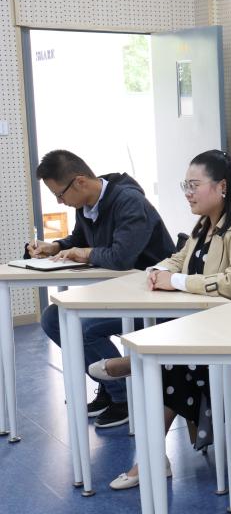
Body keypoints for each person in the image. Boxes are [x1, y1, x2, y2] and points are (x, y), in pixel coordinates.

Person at [89, 150, 231, 490]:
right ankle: (151, 454)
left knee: (170, 364)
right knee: (171, 361)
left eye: (194, 185)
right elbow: (179, 258)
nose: (187, 192)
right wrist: (158, 271)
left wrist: (176, 281)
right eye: (185, 185)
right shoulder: (206, 225)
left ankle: (138, 370)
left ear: (222, 186)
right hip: (217, 326)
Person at [32, 149, 175, 428]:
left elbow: (121, 258)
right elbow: (79, 239)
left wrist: (85, 253)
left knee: (81, 327)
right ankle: (112, 388)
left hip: (153, 298)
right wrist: (56, 246)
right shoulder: (86, 206)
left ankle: (124, 396)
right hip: (120, 294)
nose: (60, 202)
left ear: (80, 182)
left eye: (60, 194)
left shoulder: (129, 202)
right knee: (53, 318)